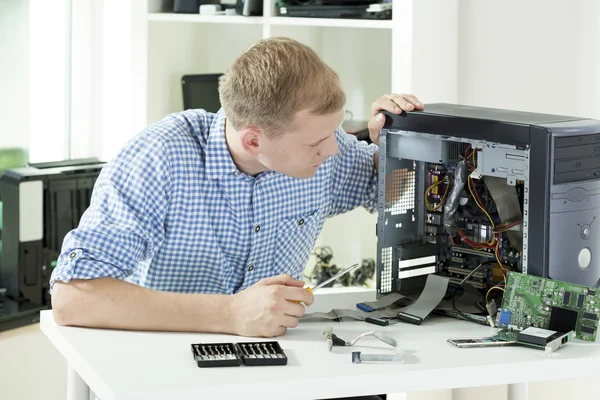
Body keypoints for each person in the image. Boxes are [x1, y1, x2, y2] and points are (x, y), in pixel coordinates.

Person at [50, 37, 423, 339]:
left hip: (275, 367)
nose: (333, 148)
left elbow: (399, 199)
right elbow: (72, 299)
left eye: (334, 133)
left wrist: (394, 144)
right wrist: (229, 313)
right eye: (315, 143)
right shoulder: (158, 158)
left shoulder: (329, 153)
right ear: (253, 142)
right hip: (165, 369)